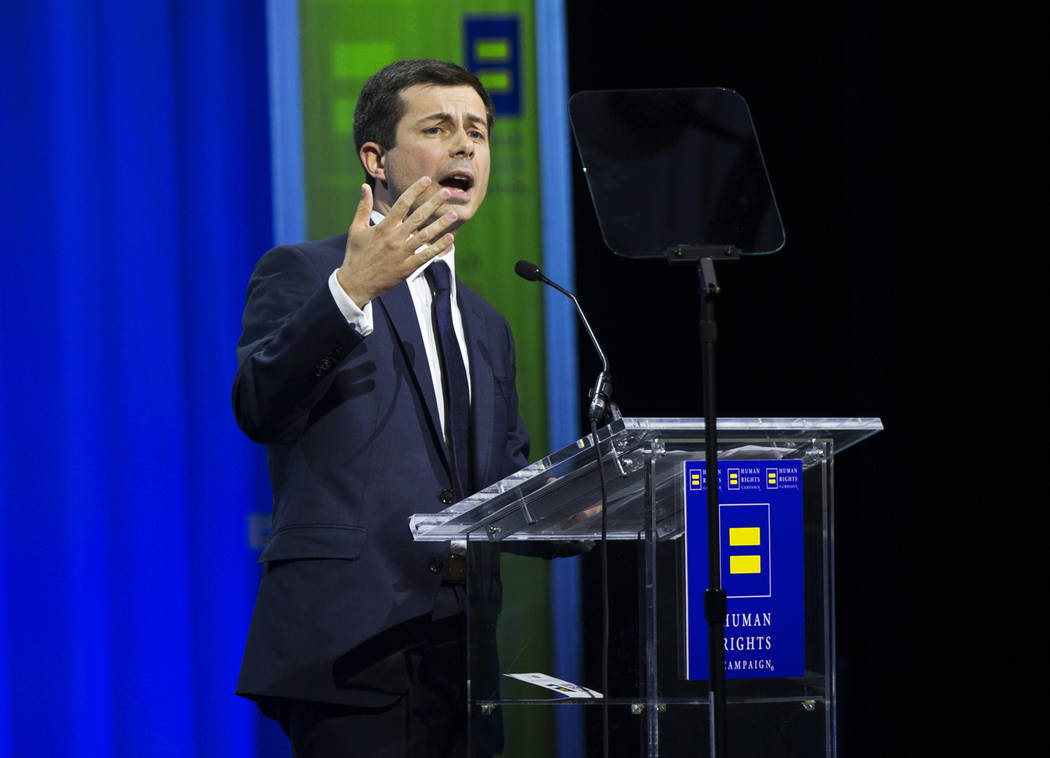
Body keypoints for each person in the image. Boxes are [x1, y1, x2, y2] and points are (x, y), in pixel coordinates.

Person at [232, 59, 530, 757]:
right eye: (438, 128)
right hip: (350, 654)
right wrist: (352, 290)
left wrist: (601, 499)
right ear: (376, 159)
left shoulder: (488, 324)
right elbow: (259, 407)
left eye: (477, 132)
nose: (464, 146)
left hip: (462, 661)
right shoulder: (305, 271)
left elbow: (505, 482)